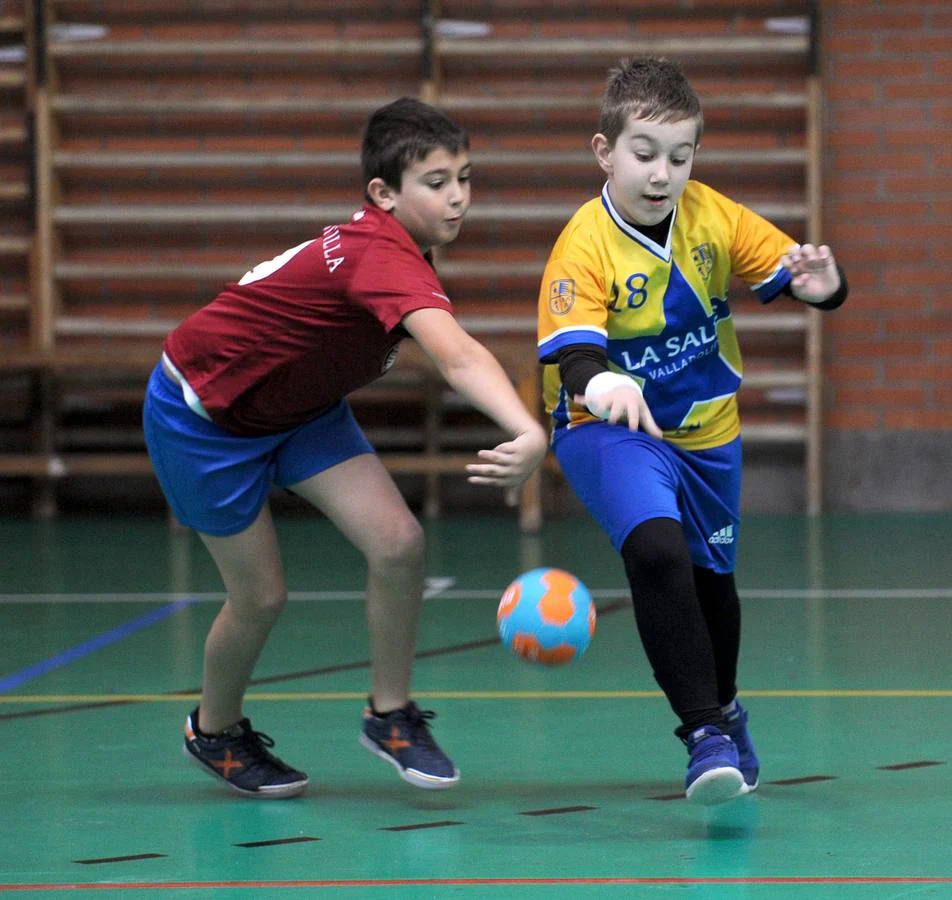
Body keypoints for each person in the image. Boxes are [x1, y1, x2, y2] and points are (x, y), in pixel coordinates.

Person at [143, 97, 548, 799]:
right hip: (202, 420)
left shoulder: (397, 252)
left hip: (300, 413)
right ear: (383, 195)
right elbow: (455, 356)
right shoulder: (380, 256)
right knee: (260, 597)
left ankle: (390, 717)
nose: (457, 197)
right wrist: (528, 429)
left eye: (465, 177)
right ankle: (214, 729)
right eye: (436, 181)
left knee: (398, 543)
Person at [536, 58, 848, 805]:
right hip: (606, 424)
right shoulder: (582, 244)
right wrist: (599, 379)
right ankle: (703, 732)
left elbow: (793, 273)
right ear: (604, 151)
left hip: (707, 431)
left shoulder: (713, 216)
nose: (661, 173)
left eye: (680, 156)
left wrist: (825, 286)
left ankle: (728, 707)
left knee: (714, 587)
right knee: (655, 549)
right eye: (644, 153)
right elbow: (576, 350)